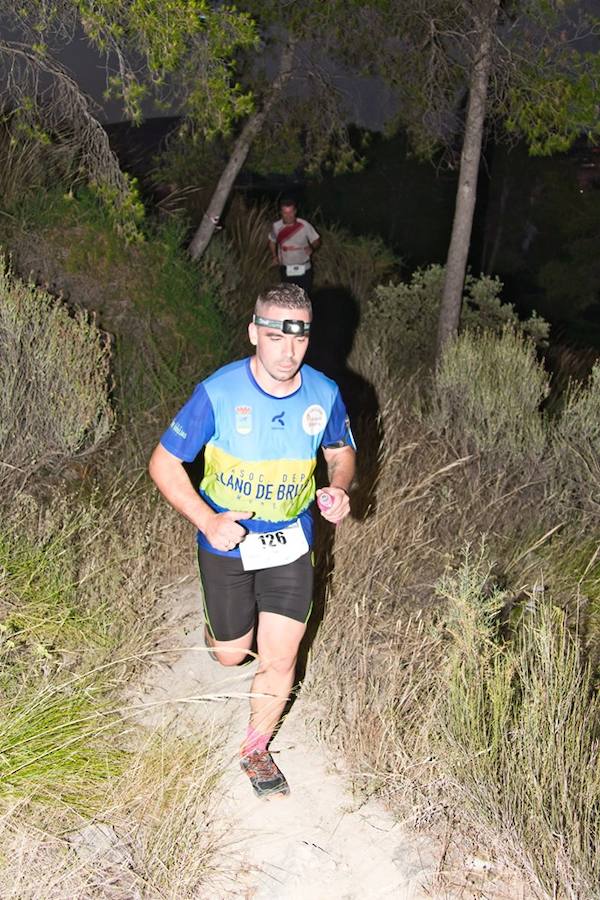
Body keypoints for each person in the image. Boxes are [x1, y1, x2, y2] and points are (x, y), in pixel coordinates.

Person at [148, 283, 355, 800]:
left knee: (280, 657)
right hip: (227, 538)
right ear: (253, 334)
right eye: (276, 337)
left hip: (291, 540)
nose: (288, 351)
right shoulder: (219, 392)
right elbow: (164, 463)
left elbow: (340, 452)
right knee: (231, 655)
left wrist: (338, 488)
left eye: (300, 338)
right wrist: (207, 520)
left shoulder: (324, 393)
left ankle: (255, 748)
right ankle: (223, 635)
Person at [268, 198, 320, 296]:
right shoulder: (276, 226)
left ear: (295, 211)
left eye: (291, 212)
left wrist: (312, 248)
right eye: (285, 213)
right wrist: (274, 256)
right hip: (286, 268)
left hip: (304, 268)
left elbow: (316, 240)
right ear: (281, 213)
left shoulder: (304, 225)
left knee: (305, 296)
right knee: (288, 298)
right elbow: (272, 241)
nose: (288, 216)